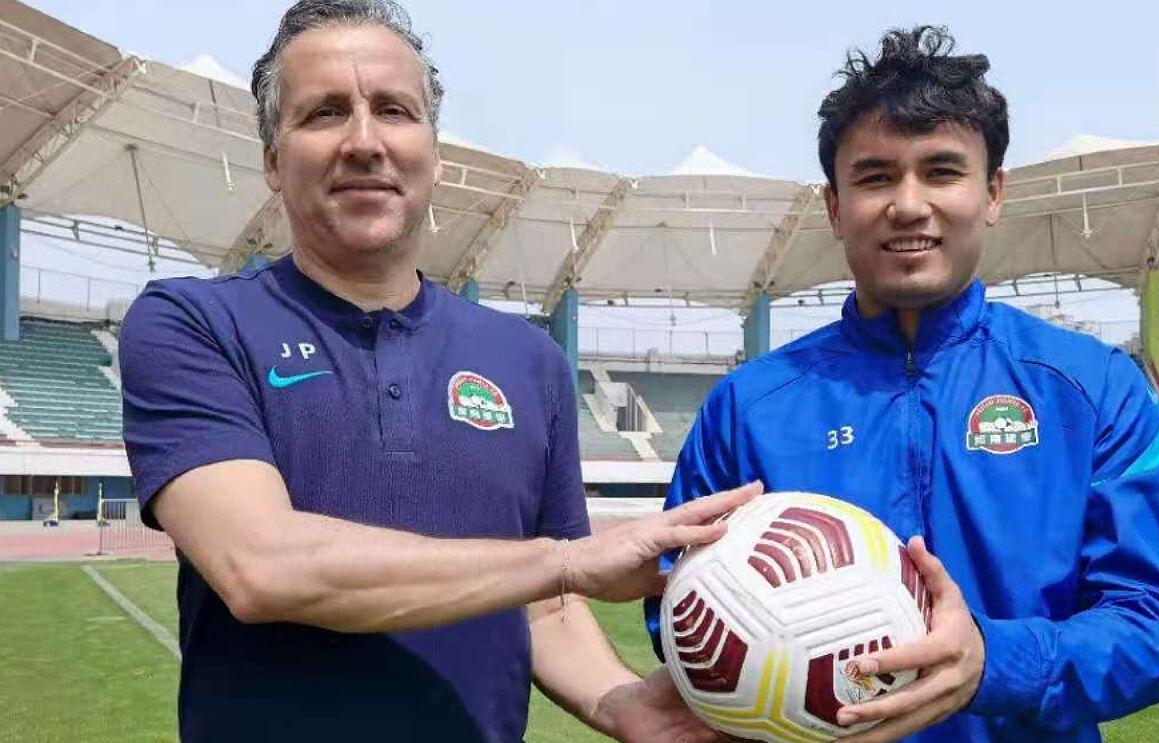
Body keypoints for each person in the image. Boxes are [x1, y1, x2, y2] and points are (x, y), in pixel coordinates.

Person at [119, 2, 758, 741]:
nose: (364, 141)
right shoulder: (192, 324)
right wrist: (568, 562)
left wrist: (619, 699)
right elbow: (261, 565)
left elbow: (545, 608)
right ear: (271, 159)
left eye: (394, 110)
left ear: (435, 154)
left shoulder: (530, 361)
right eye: (325, 113)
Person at [645, 26, 1159, 743]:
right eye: (875, 177)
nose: (907, 204)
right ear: (836, 206)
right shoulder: (747, 408)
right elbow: (673, 603)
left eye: (941, 171)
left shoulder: (1093, 390)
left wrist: (991, 663)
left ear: (993, 192)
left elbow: (1158, 624)